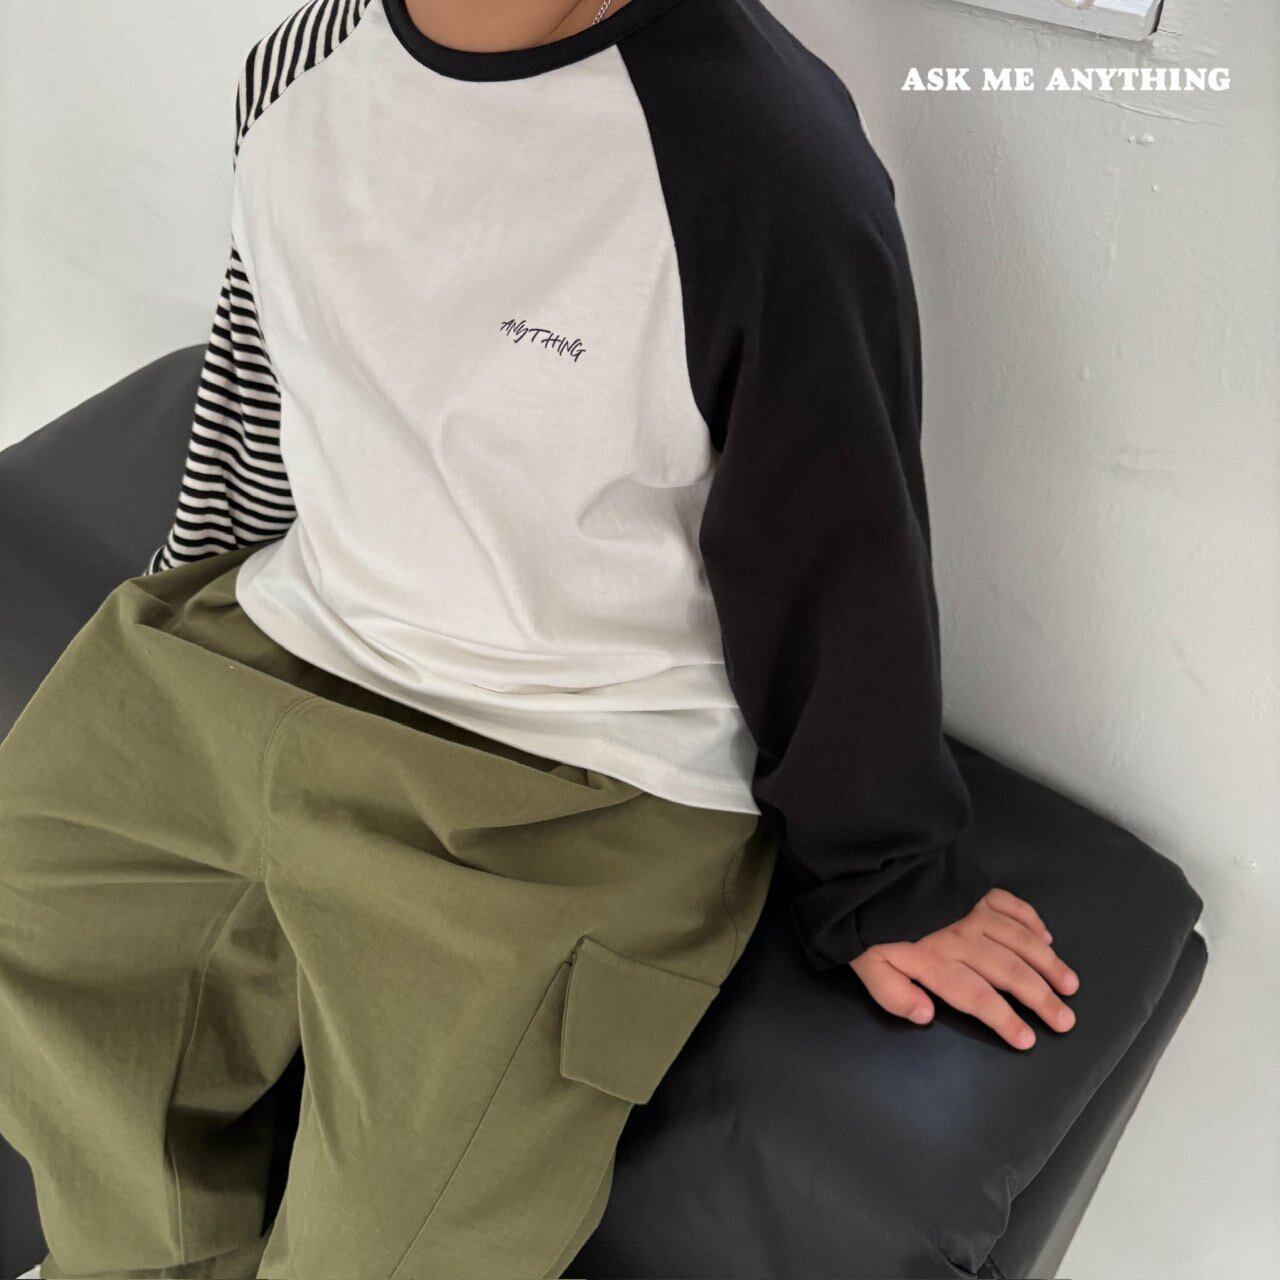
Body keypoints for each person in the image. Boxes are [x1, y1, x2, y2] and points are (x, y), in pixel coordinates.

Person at [0, 0, 1081, 1276]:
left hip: (571, 778)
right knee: (41, 954)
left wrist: (884, 876)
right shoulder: (297, 66)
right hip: (277, 643)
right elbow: (259, 372)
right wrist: (187, 621)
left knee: (406, 1246)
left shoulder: (762, 165)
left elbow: (837, 546)